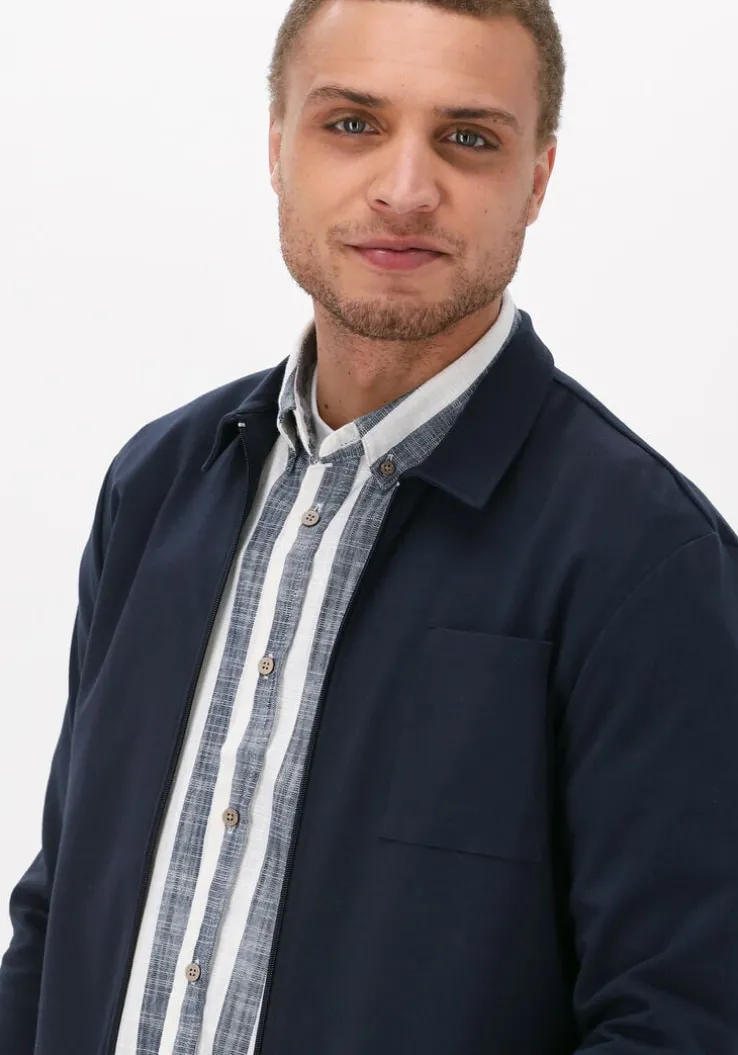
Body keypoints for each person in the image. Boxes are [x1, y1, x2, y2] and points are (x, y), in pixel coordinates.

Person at [2, 0, 738, 1051]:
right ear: (277, 145)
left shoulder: (649, 560)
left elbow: (681, 1017)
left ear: (537, 180)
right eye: (352, 123)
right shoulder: (156, 486)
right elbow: (56, 917)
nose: (404, 188)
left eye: (468, 138)